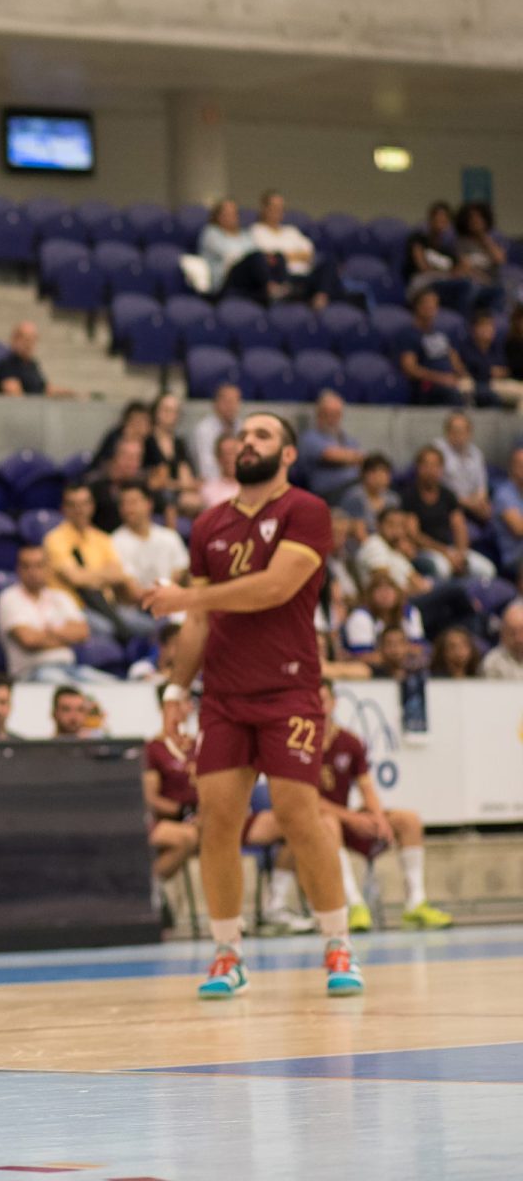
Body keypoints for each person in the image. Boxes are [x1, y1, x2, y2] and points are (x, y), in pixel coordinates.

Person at [142, 411, 363, 1000]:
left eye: (263, 435)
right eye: (243, 435)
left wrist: (188, 593)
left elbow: (273, 588)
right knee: (216, 820)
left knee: (297, 811)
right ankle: (227, 953)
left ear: (288, 454)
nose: (248, 442)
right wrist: (174, 689)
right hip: (223, 697)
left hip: (289, 690)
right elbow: (198, 620)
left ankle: (337, 942)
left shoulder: (305, 511)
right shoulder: (209, 523)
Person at [287, 681, 452, 932]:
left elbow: (367, 787)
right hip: (318, 823)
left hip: (346, 818)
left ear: (334, 703)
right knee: (328, 823)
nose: (319, 707)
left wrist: (377, 817)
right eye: (313, 701)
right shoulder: (297, 744)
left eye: (324, 700)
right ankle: (353, 904)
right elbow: (307, 799)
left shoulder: (350, 741)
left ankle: (415, 903)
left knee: (408, 820)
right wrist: (352, 819)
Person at [44, 484, 156, 642]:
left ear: (92, 506)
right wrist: (102, 575)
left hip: (107, 605)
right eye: (73, 505)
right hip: (75, 608)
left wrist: (87, 575)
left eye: (84, 504)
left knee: (150, 626)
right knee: (106, 629)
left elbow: (118, 574)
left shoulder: (102, 538)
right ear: (64, 509)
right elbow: (75, 579)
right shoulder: (55, 539)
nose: (79, 510)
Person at [0, 545, 96, 683]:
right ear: (18, 569)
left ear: (48, 568)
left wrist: (48, 632)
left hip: (70, 667)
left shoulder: (61, 597)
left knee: (110, 685)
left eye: (38, 566)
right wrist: (65, 638)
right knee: (65, 686)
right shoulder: (9, 598)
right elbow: (29, 640)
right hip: (31, 672)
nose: (32, 572)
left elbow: (83, 632)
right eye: (26, 566)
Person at [406, 445, 493, 581]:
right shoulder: (409, 497)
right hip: (424, 551)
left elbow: (459, 527)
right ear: (418, 468)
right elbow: (414, 534)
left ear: (441, 469)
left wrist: (461, 553)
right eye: (426, 465)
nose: (431, 470)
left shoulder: (447, 495)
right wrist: (445, 552)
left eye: (435, 465)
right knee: (442, 570)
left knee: (486, 570)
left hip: (450, 548)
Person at [142, 705, 201, 881]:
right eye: (178, 705)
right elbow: (150, 798)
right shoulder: (153, 749)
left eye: (187, 703)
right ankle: (149, 889)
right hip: (169, 819)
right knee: (189, 836)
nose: (185, 709)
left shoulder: (198, 745)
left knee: (218, 830)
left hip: (203, 817)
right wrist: (184, 811)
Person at [397, 288, 471, 406]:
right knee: (453, 395)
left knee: (484, 394)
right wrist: (441, 379)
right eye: (427, 303)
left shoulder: (441, 334)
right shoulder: (408, 334)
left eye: (434, 303)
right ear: (417, 306)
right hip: (428, 385)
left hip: (450, 381)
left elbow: (454, 359)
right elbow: (410, 369)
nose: (431, 307)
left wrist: (464, 375)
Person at [111, 482, 188, 591]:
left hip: (171, 598)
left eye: (133, 502)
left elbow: (181, 570)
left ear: (149, 504)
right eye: (123, 504)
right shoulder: (114, 542)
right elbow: (130, 587)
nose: (128, 509)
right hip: (135, 605)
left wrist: (166, 591)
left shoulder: (169, 536)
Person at [433, 411, 490, 523]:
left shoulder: (476, 453)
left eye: (462, 431)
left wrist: (480, 501)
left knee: (491, 512)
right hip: (448, 504)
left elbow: (482, 486)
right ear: (446, 432)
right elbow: (437, 486)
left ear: (469, 433)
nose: (458, 435)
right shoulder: (437, 450)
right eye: (454, 430)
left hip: (473, 504)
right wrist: (467, 503)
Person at [0, 320, 71, 397]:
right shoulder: (6, 365)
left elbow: (45, 388)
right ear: (14, 339)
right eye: (26, 340)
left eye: (33, 340)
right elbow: (14, 395)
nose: (29, 344)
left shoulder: (32, 364)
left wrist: (68, 393)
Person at [198, 198, 256, 294]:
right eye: (227, 214)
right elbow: (230, 255)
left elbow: (255, 253)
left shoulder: (245, 235)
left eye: (234, 214)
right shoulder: (211, 233)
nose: (232, 217)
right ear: (218, 216)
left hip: (247, 278)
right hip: (224, 279)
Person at [191, 383, 241, 491]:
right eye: (227, 401)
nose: (231, 406)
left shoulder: (242, 428)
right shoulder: (204, 429)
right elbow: (206, 468)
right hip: (213, 484)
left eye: (235, 401)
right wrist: (226, 484)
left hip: (239, 482)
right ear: (216, 403)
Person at [491, 446, 523, 580]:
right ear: (512, 467)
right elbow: (519, 529)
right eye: (520, 465)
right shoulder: (504, 494)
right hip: (516, 558)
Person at [479, 602, 523, 680]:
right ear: (502, 634)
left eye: (522, 631)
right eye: (512, 633)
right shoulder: (492, 663)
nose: (518, 639)